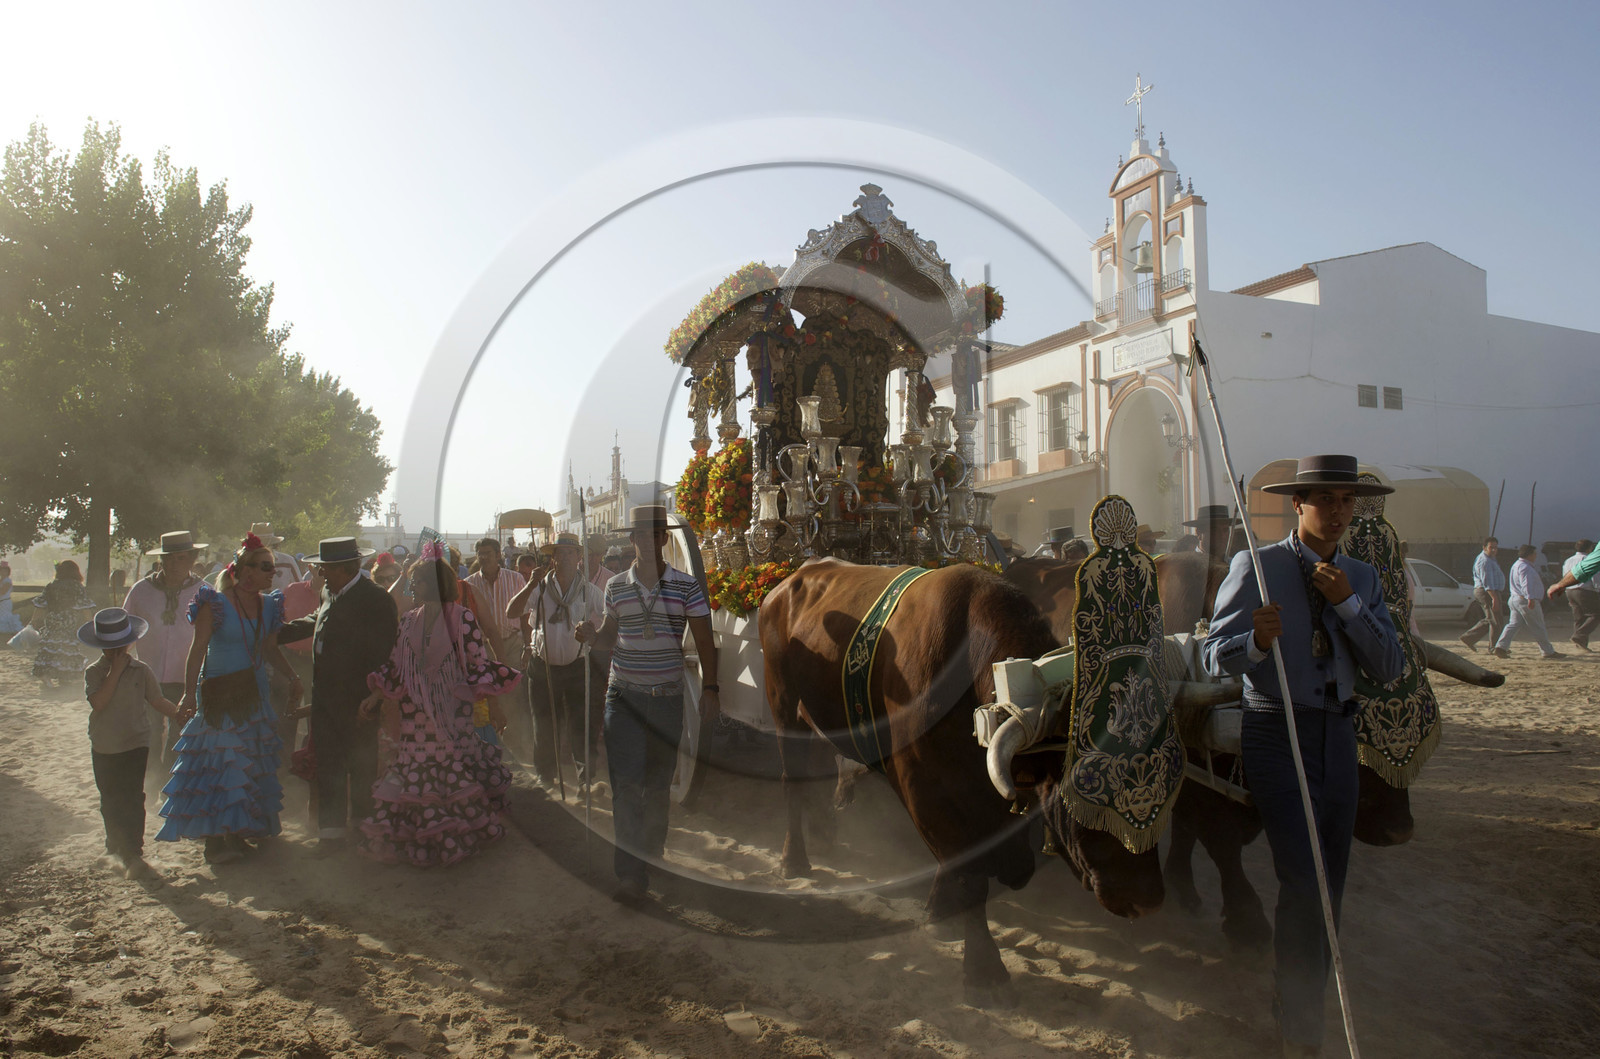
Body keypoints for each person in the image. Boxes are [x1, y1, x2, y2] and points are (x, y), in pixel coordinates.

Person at [1203, 455, 1403, 1056]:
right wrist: (1256, 641)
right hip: (1275, 730)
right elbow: (1216, 657)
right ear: (1298, 504)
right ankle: (1302, 1027)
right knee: (1304, 877)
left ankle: (1297, 992)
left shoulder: (1362, 579)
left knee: (1331, 882)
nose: (1339, 513)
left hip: (1339, 736)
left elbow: (1388, 666)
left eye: (1348, 501)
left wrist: (1347, 605)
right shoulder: (1256, 567)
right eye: (1326, 500)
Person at [578, 506, 719, 903]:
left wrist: (711, 688)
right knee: (626, 785)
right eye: (638, 535)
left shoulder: (687, 586)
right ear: (632, 541)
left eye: (653, 534)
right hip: (622, 697)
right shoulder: (616, 587)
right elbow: (608, 637)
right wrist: (590, 635)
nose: (645, 541)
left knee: (657, 786)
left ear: (663, 540)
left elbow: (705, 641)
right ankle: (630, 874)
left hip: (666, 700)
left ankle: (652, 853)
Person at [357, 543, 521, 867]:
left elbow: (477, 666)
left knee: (447, 774)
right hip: (414, 718)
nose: (411, 588)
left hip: (450, 715)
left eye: (416, 582)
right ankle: (431, 839)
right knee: (417, 775)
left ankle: (451, 838)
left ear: (430, 585)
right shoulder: (407, 622)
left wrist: (494, 707)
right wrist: (375, 696)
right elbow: (396, 666)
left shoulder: (463, 620)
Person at [157, 533, 303, 865]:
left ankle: (237, 832)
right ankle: (215, 841)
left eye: (273, 567)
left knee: (250, 759)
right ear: (244, 570)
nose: (272, 573)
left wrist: (293, 677)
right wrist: (187, 695)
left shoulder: (269, 605)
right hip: (219, 694)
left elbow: (268, 649)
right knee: (222, 761)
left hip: (254, 693)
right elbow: (197, 652)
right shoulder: (215, 602)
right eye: (266, 567)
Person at [277, 537, 400, 854]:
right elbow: (318, 620)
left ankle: (362, 829)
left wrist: (373, 696)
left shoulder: (376, 600)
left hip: (358, 701)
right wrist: (280, 632)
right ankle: (330, 836)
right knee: (329, 765)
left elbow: (384, 654)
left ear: (345, 568)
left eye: (326, 567)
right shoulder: (329, 591)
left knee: (361, 766)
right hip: (325, 699)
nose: (320, 572)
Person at [81, 608, 183, 879]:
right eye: (110, 647)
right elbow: (99, 702)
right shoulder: (94, 672)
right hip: (104, 745)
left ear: (129, 643)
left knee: (134, 797)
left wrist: (180, 713)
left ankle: (133, 851)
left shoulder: (141, 669)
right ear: (101, 647)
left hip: (136, 743)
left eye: (120, 646)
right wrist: (114, 671)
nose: (116, 651)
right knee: (110, 799)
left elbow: (157, 700)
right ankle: (114, 844)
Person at [509, 532, 606, 791]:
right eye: (559, 553)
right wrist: (530, 584)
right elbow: (512, 611)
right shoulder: (539, 589)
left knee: (581, 725)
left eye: (570, 553)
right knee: (544, 724)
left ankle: (586, 778)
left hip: (577, 667)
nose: (564, 558)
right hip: (542, 667)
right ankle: (545, 775)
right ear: (552, 559)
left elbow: (612, 615)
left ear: (578, 558)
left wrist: (595, 634)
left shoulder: (589, 591)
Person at [123, 531, 208, 779]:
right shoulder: (141, 590)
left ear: (192, 559)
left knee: (180, 729)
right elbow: (126, 629)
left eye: (181, 559)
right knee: (148, 728)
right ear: (161, 560)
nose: (174, 564)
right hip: (148, 673)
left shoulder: (205, 591)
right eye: (169, 559)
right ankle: (151, 779)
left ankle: (171, 782)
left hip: (186, 676)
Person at [463, 537, 530, 757]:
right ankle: (494, 745)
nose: (483, 557)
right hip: (483, 647)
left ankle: (515, 743)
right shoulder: (470, 584)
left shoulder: (516, 578)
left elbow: (525, 615)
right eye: (480, 553)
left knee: (513, 693)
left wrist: (527, 645)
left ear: (499, 554)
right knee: (489, 695)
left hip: (511, 643)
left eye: (488, 553)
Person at [31, 560, 97, 687]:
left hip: (52, 620)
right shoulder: (76, 586)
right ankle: (64, 676)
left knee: (50, 645)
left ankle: (46, 675)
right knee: (66, 647)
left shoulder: (51, 585)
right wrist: (90, 622)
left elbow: (40, 605)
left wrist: (33, 621)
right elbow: (84, 606)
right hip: (68, 621)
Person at [1491, 545, 1563, 660]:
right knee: (1538, 626)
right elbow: (1526, 584)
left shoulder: (1517, 565)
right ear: (1529, 555)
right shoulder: (1525, 567)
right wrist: (1530, 598)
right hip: (1525, 600)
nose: (1535, 556)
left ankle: (1501, 647)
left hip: (1515, 599)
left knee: (1513, 624)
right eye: (1534, 554)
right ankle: (1548, 651)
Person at [1460, 536, 1506, 652]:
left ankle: (1469, 638)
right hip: (1487, 592)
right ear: (1484, 547)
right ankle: (1494, 647)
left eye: (1496, 548)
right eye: (1491, 548)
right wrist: (1494, 598)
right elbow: (1487, 582)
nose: (1494, 550)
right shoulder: (1484, 561)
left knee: (1492, 619)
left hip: (1491, 592)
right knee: (1495, 620)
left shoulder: (1491, 559)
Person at [1558, 539, 1599, 651]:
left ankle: (1581, 645)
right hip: (1584, 590)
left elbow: (1565, 576)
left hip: (1570, 590)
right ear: (1590, 548)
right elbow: (1595, 576)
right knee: (1595, 615)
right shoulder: (1589, 559)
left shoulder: (1568, 560)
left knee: (1579, 618)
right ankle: (1579, 636)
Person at [0, 559, 23, 637]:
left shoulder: (7, 580)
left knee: (5, 616)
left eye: (4, 571)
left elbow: (2, 592)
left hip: (5, 602)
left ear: (8, 572)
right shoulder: (1, 580)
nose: (3, 572)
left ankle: (10, 630)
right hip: (1, 602)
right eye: (1, 571)